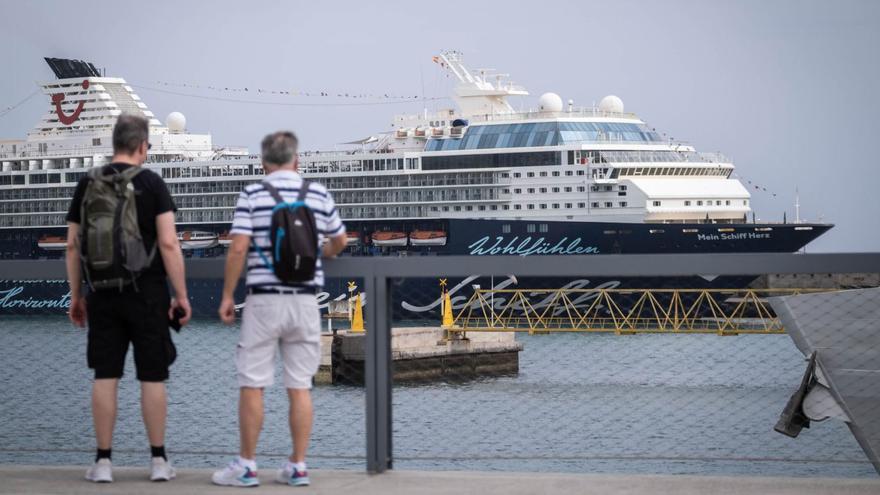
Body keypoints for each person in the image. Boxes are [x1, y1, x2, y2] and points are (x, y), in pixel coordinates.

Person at [212, 131, 346, 487]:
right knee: (299, 385)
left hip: (264, 302)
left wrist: (227, 295)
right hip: (306, 300)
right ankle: (298, 467)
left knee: (253, 384)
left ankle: (246, 467)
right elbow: (340, 241)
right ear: (297, 161)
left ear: (263, 162)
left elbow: (238, 248)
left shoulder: (253, 194)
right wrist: (320, 254)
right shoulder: (317, 193)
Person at [66, 114, 192, 483]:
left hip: (101, 294)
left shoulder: (88, 183)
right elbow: (168, 243)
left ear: (114, 144)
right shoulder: (152, 182)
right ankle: (158, 461)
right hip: (147, 293)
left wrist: (77, 295)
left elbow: (73, 246)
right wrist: (180, 295)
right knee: (152, 377)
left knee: (105, 376)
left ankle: (103, 462)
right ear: (141, 146)